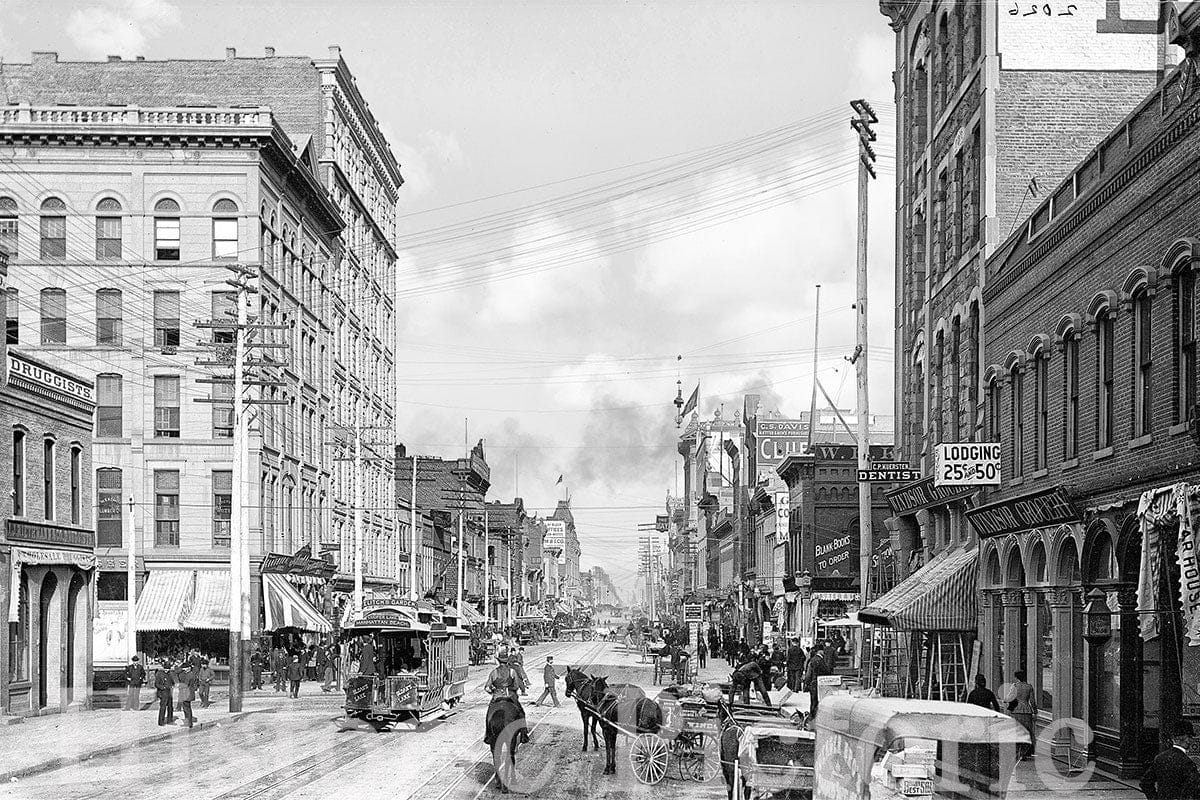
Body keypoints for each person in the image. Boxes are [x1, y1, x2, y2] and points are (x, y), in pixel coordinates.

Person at [1141, 720, 1200, 800]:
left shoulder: (1160, 758)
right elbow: (1194, 789)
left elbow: (1145, 782)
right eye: (1190, 737)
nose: (1190, 741)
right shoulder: (1187, 763)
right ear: (1186, 739)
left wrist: (1154, 798)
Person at [484, 648, 529, 745]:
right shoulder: (512, 671)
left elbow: (487, 687)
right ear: (507, 660)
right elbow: (516, 685)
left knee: (489, 714)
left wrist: (493, 692)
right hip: (510, 696)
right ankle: (524, 734)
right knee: (521, 712)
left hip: (497, 696)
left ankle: (488, 734)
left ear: (498, 661)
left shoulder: (494, 672)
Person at [1005, 670, 1037, 760]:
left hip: (1016, 711)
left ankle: (1017, 752)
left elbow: (1009, 698)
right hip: (1027, 711)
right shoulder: (1029, 687)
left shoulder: (1014, 686)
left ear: (1017, 677)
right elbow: (1033, 701)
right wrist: (1035, 711)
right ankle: (1024, 753)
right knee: (1026, 732)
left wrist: (1005, 699)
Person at [803, 641, 831, 720]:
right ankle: (814, 718)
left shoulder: (812, 660)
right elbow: (827, 671)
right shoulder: (821, 661)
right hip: (820, 684)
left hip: (813, 683)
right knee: (818, 702)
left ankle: (812, 717)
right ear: (820, 651)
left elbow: (808, 674)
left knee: (813, 701)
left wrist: (806, 684)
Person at [154, 659, 175, 726]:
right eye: (165, 669)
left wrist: (172, 685)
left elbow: (172, 682)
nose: (167, 670)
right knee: (163, 707)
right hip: (163, 693)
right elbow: (156, 684)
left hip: (169, 692)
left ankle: (170, 720)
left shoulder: (170, 674)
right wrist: (163, 687)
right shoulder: (159, 674)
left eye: (168, 669)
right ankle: (161, 721)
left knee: (170, 707)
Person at [177, 663, 197, 728]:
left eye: (184, 668)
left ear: (188, 668)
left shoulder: (189, 675)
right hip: (188, 693)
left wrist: (179, 686)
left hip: (187, 693)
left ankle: (189, 723)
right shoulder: (190, 674)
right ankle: (188, 722)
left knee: (187, 709)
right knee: (186, 708)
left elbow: (185, 684)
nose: (183, 669)